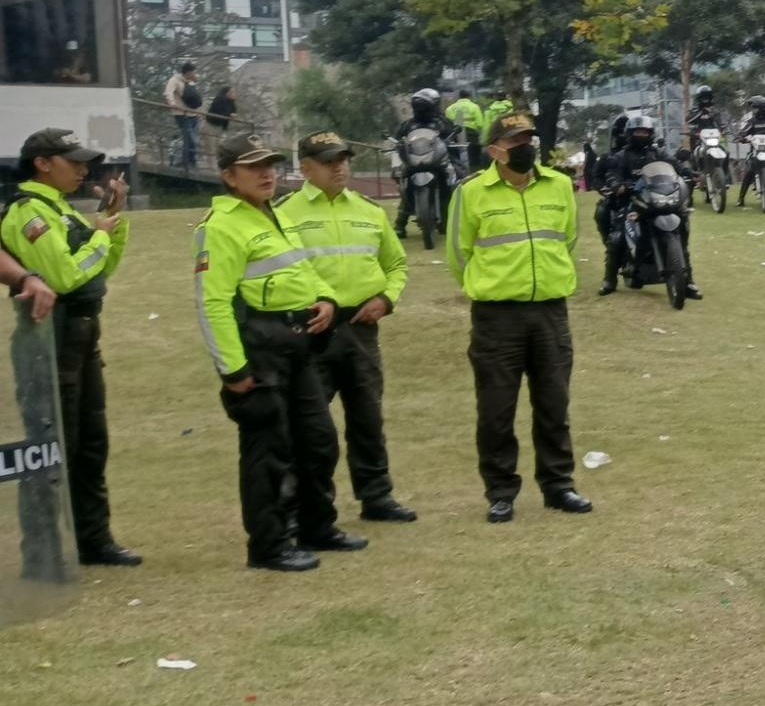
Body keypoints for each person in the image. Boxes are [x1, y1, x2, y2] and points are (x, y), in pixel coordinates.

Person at [194, 132, 364, 573]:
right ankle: (269, 545)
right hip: (260, 348)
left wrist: (326, 299)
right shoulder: (221, 226)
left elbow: (303, 270)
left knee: (318, 441)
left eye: (269, 164)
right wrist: (234, 371)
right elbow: (213, 302)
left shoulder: (272, 214)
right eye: (253, 167)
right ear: (229, 176)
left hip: (298, 344)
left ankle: (316, 526)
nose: (266, 173)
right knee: (268, 452)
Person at [1, 129, 139, 565]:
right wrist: (99, 235)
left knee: (91, 443)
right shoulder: (29, 212)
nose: (83, 169)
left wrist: (112, 221)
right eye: (73, 161)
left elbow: (99, 272)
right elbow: (63, 278)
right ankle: (44, 551)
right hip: (51, 338)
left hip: (82, 335)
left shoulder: (62, 209)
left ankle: (93, 539)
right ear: (42, 163)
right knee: (52, 447)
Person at [448, 111, 592, 522]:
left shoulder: (559, 185)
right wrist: (492, 285)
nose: (525, 147)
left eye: (529, 139)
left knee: (554, 404)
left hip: (549, 312)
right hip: (497, 317)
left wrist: (545, 278)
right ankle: (500, 491)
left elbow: (566, 240)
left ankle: (559, 485)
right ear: (495, 150)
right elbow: (459, 254)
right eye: (515, 141)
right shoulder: (471, 192)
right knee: (496, 409)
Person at [275, 132, 416, 522]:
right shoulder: (284, 213)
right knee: (308, 425)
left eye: (343, 159)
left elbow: (396, 264)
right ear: (305, 168)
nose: (338, 168)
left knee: (367, 416)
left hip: (361, 328)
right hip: (312, 330)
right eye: (328, 161)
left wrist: (386, 299)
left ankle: (376, 496)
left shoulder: (369, 210)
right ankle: (304, 506)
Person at [595, 113, 700, 299]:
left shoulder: (658, 153)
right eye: (638, 132)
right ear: (629, 134)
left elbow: (675, 165)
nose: (641, 135)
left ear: (651, 134)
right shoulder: (621, 156)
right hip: (632, 201)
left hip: (657, 198)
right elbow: (612, 174)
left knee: (680, 232)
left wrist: (688, 172)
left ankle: (688, 281)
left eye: (645, 132)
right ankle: (609, 279)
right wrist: (616, 185)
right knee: (617, 236)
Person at [393, 88, 450, 239]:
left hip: (436, 161)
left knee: (449, 184)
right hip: (414, 161)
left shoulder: (442, 123)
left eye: (424, 106)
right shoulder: (408, 125)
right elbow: (396, 140)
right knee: (407, 189)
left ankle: (446, 219)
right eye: (419, 107)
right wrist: (396, 147)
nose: (422, 110)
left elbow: (452, 137)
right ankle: (400, 224)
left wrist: (451, 142)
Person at [165, 61, 202, 167]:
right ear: (188, 72)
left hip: (193, 115)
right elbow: (168, 92)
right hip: (182, 114)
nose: (195, 74)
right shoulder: (174, 80)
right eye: (193, 72)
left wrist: (199, 111)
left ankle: (190, 163)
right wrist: (172, 103)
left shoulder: (191, 82)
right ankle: (187, 163)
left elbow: (195, 98)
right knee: (190, 139)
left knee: (192, 140)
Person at [445, 90, 485, 172]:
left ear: (459, 97)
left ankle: (460, 172)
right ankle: (474, 171)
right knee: (474, 155)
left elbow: (448, 123)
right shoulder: (474, 106)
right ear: (469, 96)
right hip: (471, 134)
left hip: (456, 134)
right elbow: (480, 123)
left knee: (457, 155)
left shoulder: (450, 108)